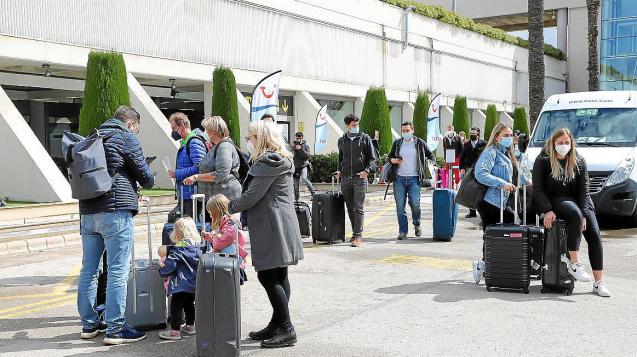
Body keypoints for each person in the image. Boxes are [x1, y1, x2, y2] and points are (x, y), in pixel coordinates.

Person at [76, 106, 154, 344]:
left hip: (88, 212)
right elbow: (146, 178)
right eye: (136, 128)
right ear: (131, 123)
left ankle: (89, 325)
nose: (136, 132)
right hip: (115, 212)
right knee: (118, 270)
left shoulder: (93, 136)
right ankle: (116, 328)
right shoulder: (125, 138)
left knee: (89, 270)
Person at [228, 121, 304, 348]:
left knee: (268, 276)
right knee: (279, 275)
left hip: (273, 224)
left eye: (251, 137)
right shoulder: (278, 159)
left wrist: (227, 207)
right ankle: (278, 323)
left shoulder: (268, 162)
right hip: (279, 222)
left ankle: (287, 328)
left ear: (260, 138)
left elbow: (252, 196)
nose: (248, 142)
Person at [532, 128, 610, 297]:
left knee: (595, 234)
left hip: (581, 202)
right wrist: (547, 210)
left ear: (572, 143)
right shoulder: (543, 160)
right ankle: (574, 263)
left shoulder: (579, 161)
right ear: (553, 143)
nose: (564, 146)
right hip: (557, 200)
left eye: (567, 142)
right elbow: (538, 188)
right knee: (574, 213)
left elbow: (584, 190)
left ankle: (598, 283)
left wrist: (584, 213)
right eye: (560, 143)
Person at [471, 122, 528, 284]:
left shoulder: (508, 154)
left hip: (502, 202)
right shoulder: (490, 152)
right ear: (496, 137)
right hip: (489, 201)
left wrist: (530, 182)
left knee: (510, 227)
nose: (509, 138)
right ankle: (484, 265)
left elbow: (518, 175)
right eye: (505, 135)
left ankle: (492, 264)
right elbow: (480, 173)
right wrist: (501, 183)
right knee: (491, 235)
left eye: (510, 135)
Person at [388, 121, 436, 240]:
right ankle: (403, 231)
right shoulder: (397, 143)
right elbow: (390, 157)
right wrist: (392, 160)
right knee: (400, 206)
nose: (405, 133)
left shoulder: (419, 143)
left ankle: (417, 223)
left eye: (407, 131)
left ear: (412, 130)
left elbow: (431, 155)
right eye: (403, 131)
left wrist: (432, 163)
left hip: (414, 179)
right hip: (399, 179)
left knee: (415, 203)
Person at [183, 116, 242, 210]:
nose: (204, 132)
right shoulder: (219, 145)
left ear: (213, 131)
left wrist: (196, 177)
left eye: (206, 129)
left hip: (225, 199)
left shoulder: (224, 147)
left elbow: (221, 174)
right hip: (219, 199)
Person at [335, 114, 377, 247]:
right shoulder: (342, 140)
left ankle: (358, 236)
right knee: (350, 208)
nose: (356, 127)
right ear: (347, 126)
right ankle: (354, 234)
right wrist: (339, 170)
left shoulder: (364, 138)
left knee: (358, 208)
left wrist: (367, 171)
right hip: (346, 178)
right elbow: (341, 159)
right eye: (353, 125)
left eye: (357, 125)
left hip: (360, 178)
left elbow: (373, 158)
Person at [157, 217, 201, 340]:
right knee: (189, 305)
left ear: (177, 232)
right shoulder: (197, 247)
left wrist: (162, 270)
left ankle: (175, 332)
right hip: (193, 284)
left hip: (180, 284)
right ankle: (190, 326)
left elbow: (171, 264)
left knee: (176, 307)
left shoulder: (178, 248)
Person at [167, 112, 207, 217]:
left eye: (174, 128)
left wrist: (177, 173)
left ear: (182, 126)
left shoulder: (193, 142)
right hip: (185, 193)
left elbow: (199, 167)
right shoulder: (185, 143)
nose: (173, 132)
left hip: (192, 194)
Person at [203, 194, 248, 281]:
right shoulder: (225, 222)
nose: (210, 216)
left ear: (217, 211)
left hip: (230, 262)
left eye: (211, 213)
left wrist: (214, 237)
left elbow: (227, 239)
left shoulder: (229, 222)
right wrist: (211, 237)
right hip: (229, 261)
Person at [459, 127, 487, 218]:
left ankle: (482, 212)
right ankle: (472, 212)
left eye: (474, 133)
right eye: (471, 133)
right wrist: (461, 168)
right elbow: (462, 157)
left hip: (481, 170)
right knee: (470, 190)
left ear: (478, 134)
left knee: (481, 190)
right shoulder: (466, 144)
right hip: (469, 169)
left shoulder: (484, 144)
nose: (472, 135)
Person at [290, 132, 316, 201]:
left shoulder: (305, 146)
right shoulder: (292, 145)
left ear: (302, 138)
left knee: (304, 178)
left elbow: (307, 156)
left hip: (303, 166)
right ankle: (296, 199)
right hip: (295, 167)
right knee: (296, 184)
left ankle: (314, 195)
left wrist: (301, 149)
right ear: (295, 137)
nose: (298, 139)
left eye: (300, 138)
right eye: (297, 138)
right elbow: (290, 155)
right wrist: (293, 148)